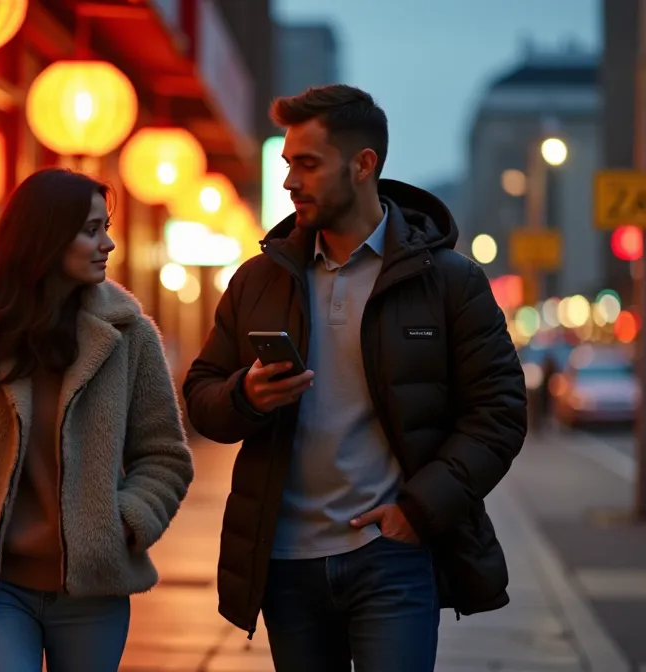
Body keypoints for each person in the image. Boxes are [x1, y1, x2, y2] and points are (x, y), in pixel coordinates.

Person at [183, 84, 527, 672]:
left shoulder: (450, 281)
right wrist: (245, 394)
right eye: (289, 164)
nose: (290, 181)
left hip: (391, 557)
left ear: (363, 165)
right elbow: (200, 397)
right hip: (286, 559)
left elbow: (499, 413)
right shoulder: (258, 280)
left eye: (308, 164)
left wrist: (418, 512)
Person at [0, 167, 194, 671]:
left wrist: (122, 523)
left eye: (107, 228)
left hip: (93, 593)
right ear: (45, 239)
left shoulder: (130, 335)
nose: (108, 245)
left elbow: (165, 456)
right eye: (91, 230)